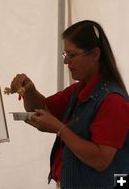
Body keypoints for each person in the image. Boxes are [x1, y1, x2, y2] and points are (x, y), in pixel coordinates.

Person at [9, 20, 129, 189]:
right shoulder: (78, 90)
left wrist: (60, 129)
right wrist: (30, 91)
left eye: (72, 55)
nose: (66, 62)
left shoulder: (113, 100)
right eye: (65, 55)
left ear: (95, 54)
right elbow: (41, 109)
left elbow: (101, 159)